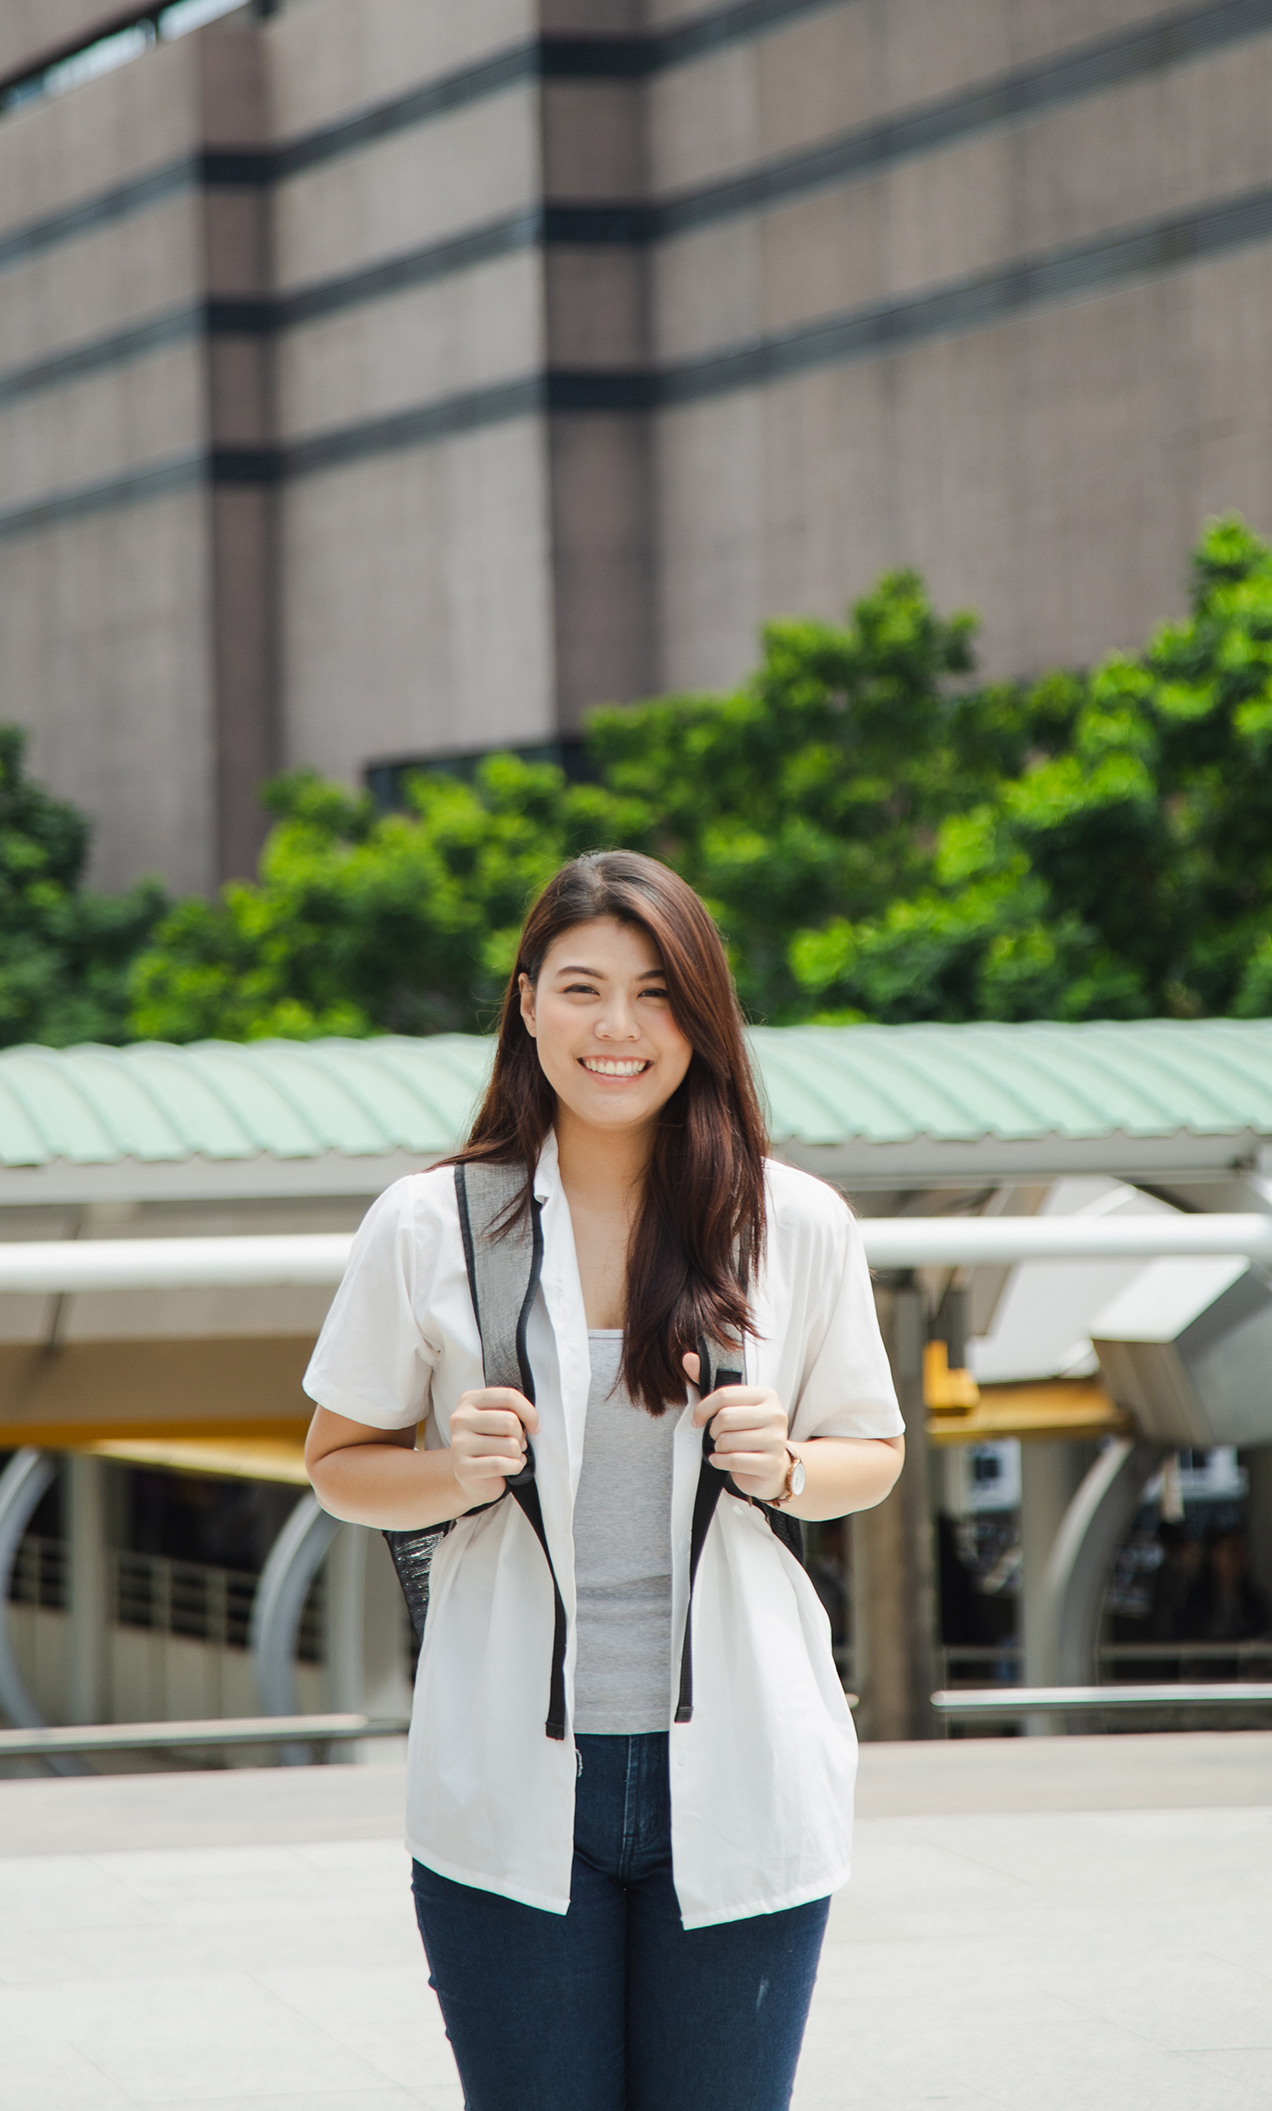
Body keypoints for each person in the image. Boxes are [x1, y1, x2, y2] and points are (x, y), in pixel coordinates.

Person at [303, 850, 905, 2111]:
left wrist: (789, 1465)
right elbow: (339, 1468)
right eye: (582, 989)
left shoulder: (790, 1221)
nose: (617, 1029)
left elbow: (875, 1453)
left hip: (742, 1770)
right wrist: (450, 1472)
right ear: (526, 1005)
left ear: (702, 1016)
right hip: (509, 1779)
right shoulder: (430, 1226)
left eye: (655, 993)